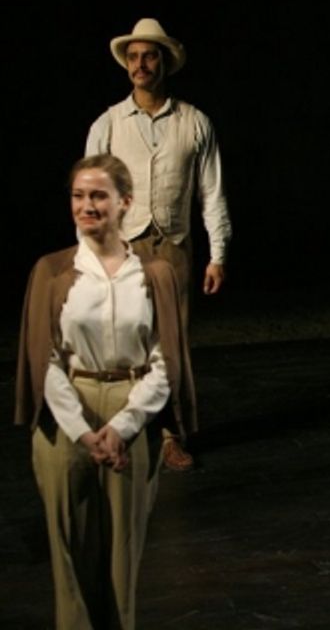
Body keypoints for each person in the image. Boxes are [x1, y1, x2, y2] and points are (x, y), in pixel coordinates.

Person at [14, 154, 195, 629]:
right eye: (78, 195)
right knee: (69, 554)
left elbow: (164, 362)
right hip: (66, 409)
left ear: (125, 203)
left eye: (98, 195)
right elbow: (45, 362)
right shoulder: (52, 271)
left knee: (122, 552)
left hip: (131, 406)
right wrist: (82, 431)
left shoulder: (154, 273)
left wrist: (123, 426)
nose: (86, 206)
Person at [85, 17, 230, 470]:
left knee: (171, 347)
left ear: (163, 63)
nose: (140, 64)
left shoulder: (194, 122)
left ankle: (171, 436)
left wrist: (218, 254)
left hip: (174, 247)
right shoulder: (108, 123)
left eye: (149, 56)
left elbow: (212, 192)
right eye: (133, 57)